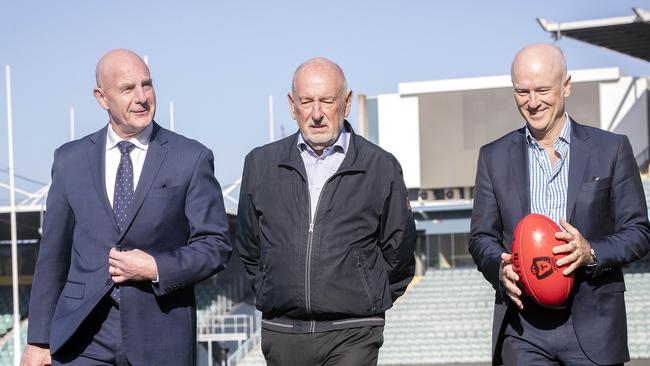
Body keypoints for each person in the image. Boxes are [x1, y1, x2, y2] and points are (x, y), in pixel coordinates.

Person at [21, 49, 232, 366]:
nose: (142, 97)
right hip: (82, 337)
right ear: (101, 97)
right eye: (127, 89)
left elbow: (216, 245)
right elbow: (53, 254)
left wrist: (156, 267)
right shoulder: (69, 160)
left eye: (147, 85)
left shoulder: (191, 157)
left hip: (160, 334)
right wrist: (38, 340)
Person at [469, 43, 650, 365]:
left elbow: (638, 233)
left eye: (542, 89)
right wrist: (499, 266)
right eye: (522, 91)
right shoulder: (493, 157)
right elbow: (481, 237)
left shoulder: (611, 149)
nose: (533, 102)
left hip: (593, 323)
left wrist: (590, 251)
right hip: (524, 328)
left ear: (566, 85)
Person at [236, 57, 416, 366]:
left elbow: (399, 253)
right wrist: (274, 286)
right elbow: (249, 247)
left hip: (353, 331)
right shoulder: (260, 164)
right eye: (307, 102)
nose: (316, 114)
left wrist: (364, 293)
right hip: (283, 331)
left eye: (327, 101)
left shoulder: (379, 167)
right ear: (293, 106)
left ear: (346, 103)